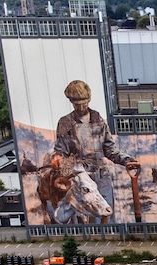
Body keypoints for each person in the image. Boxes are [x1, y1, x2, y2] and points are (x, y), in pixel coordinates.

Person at [49, 80, 140, 223]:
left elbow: (109, 149)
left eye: (84, 102)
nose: (81, 106)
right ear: (72, 102)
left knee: (107, 215)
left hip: (101, 175)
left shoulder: (98, 119)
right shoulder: (65, 122)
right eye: (77, 103)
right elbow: (61, 152)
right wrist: (63, 166)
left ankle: (110, 243)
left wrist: (126, 160)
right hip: (81, 178)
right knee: (86, 219)